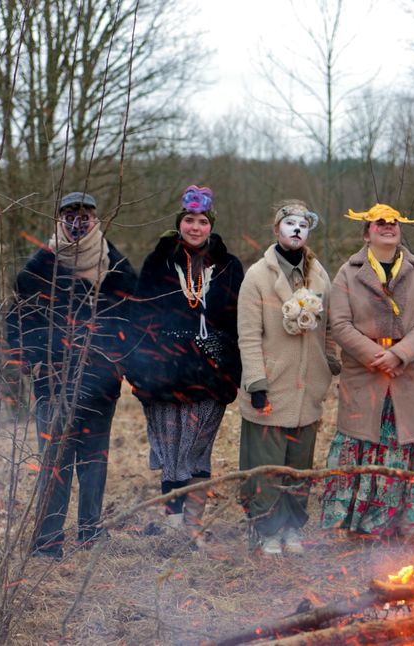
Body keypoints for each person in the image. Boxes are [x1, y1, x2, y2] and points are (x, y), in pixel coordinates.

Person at [6, 191, 137, 559]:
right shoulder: (38, 267)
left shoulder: (116, 267)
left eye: (85, 216)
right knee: (55, 461)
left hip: (101, 382)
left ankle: (90, 534)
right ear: (59, 220)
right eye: (69, 215)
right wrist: (27, 358)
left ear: (96, 220)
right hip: (52, 382)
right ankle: (49, 541)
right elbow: (16, 318)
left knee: (94, 461)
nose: (77, 222)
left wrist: (120, 359)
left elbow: (135, 318)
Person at [125, 185, 243, 545]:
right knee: (172, 448)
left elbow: (239, 319)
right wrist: (141, 365)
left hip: (211, 371)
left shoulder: (228, 265)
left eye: (202, 221)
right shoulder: (158, 261)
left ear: (211, 225)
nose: (195, 227)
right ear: (180, 224)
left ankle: (193, 524)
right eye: (189, 220)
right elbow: (139, 314)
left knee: (197, 449)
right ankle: (173, 526)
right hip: (164, 371)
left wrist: (232, 366)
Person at [320, 203, 414, 538]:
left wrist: (400, 354)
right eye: (380, 223)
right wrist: (375, 354)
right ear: (367, 232)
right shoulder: (348, 272)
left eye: (394, 223)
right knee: (363, 442)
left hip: (407, 374)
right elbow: (339, 324)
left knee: (404, 442)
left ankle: (402, 526)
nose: (388, 227)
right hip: (364, 374)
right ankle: (361, 527)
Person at [237, 200, 340, 556]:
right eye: (289, 223)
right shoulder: (257, 277)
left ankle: (292, 529)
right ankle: (265, 530)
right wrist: (256, 384)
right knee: (266, 467)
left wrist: (329, 362)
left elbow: (327, 329)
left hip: (307, 389)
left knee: (299, 467)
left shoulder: (320, 276)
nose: (296, 229)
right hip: (271, 385)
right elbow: (248, 336)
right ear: (277, 229)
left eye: (302, 224)